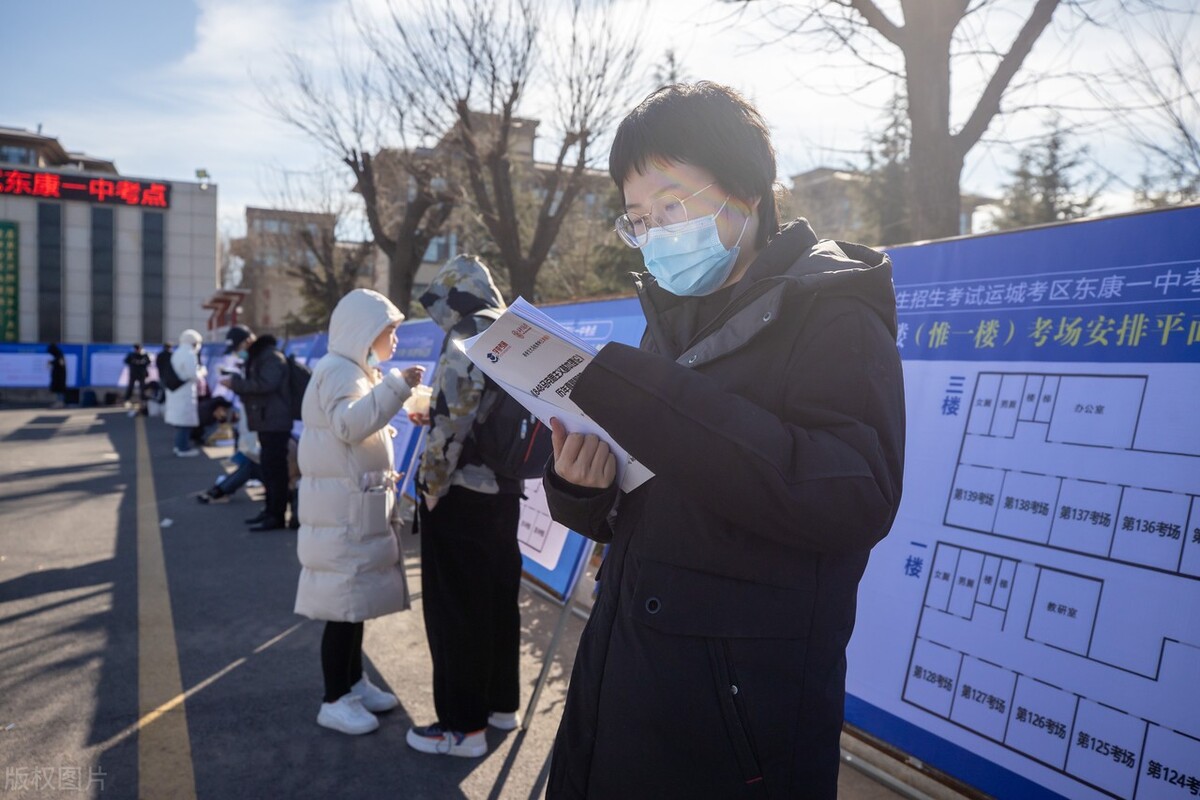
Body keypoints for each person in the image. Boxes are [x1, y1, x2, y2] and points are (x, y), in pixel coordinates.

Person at [541, 82, 906, 799]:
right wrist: (585, 491)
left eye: (671, 204)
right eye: (639, 217)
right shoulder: (672, 321)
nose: (655, 231)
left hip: (737, 723)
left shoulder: (835, 316)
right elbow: (659, 495)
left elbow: (854, 498)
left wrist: (656, 406)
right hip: (629, 669)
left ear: (746, 191)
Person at [406, 255, 524, 759]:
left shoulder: (467, 336)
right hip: (504, 490)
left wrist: (430, 486)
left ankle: (461, 728)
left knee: (456, 612)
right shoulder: (512, 333)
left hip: (462, 496)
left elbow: (453, 419)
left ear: (455, 296)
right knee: (497, 602)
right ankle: (501, 706)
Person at [293, 288, 424, 736]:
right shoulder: (340, 372)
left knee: (353, 609)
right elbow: (350, 425)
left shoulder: (349, 370)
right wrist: (397, 386)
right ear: (364, 332)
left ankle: (352, 683)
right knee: (342, 611)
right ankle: (334, 699)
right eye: (391, 331)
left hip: (349, 511)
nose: (396, 340)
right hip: (343, 515)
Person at [220, 325, 292, 532]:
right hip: (267, 421)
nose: (238, 351)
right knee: (269, 470)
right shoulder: (260, 356)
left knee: (276, 471)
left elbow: (266, 385)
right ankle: (270, 511)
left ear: (248, 340)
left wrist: (235, 383)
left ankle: (276, 516)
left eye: (239, 346)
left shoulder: (270, 356)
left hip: (275, 422)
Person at [163, 330, 206, 458]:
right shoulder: (189, 354)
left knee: (179, 421)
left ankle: (179, 446)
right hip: (184, 391)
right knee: (184, 421)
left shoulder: (178, 352)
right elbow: (193, 374)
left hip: (176, 392)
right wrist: (202, 372)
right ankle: (183, 448)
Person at [123, 343, 151, 410]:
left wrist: (142, 362)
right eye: (137, 349)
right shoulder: (131, 354)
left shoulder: (144, 354)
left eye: (139, 349)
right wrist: (133, 362)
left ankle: (143, 400)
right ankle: (127, 399)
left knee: (142, 387)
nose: (138, 350)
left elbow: (149, 362)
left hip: (142, 374)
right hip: (133, 374)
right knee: (131, 387)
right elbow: (126, 361)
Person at [47, 343, 67, 408]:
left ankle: (60, 402)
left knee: (60, 390)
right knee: (58, 390)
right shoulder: (58, 356)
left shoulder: (60, 356)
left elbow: (61, 365)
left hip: (60, 377)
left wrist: (53, 363)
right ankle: (59, 402)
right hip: (57, 377)